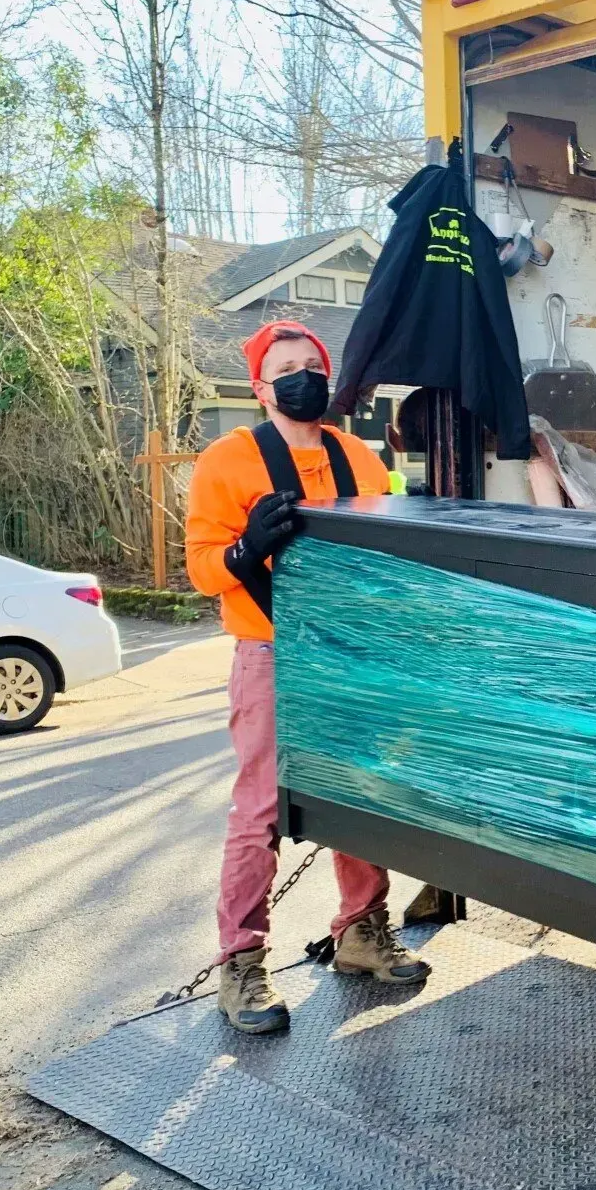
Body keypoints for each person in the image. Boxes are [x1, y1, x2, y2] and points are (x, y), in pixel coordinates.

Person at [186, 319, 432, 1035]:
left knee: (357, 791)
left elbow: (382, 551)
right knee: (261, 810)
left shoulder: (358, 455)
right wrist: (245, 550)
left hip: (347, 653)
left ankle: (361, 929)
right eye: (288, 368)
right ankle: (240, 963)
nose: (306, 378)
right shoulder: (228, 462)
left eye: (313, 365)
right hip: (270, 654)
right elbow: (204, 570)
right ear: (261, 386)